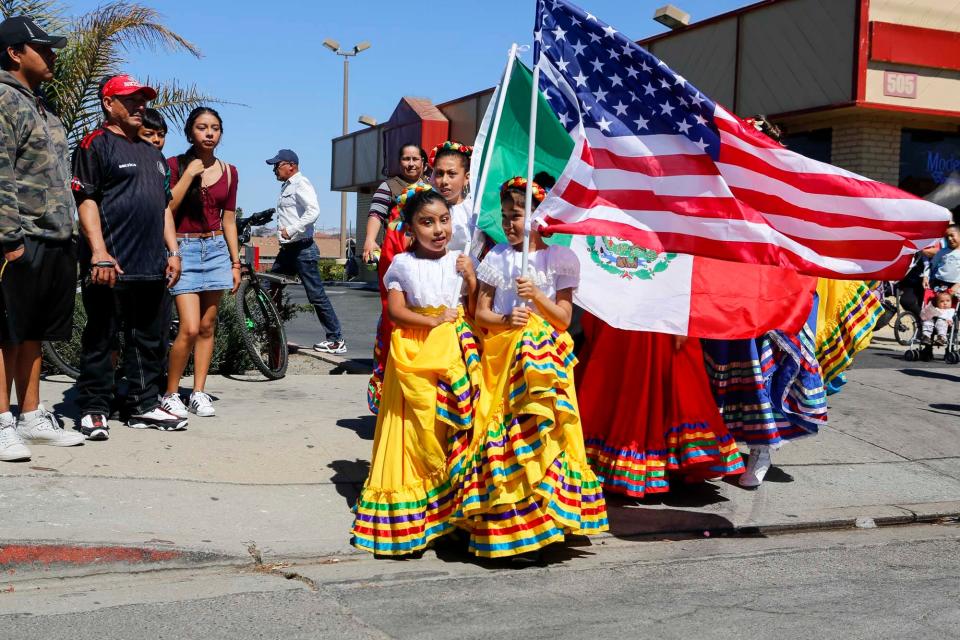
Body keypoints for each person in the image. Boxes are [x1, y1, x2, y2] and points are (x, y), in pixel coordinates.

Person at [450, 176, 607, 560]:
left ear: (539, 217)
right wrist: (506, 320)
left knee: (546, 438)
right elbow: (481, 313)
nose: (508, 223)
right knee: (505, 434)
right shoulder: (498, 257)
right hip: (503, 359)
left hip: (545, 364)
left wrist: (536, 294)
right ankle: (508, 521)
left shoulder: (560, 259)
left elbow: (564, 320)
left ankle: (549, 520)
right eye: (505, 215)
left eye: (517, 215)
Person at [351, 184, 480, 556]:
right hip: (414, 350)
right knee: (412, 432)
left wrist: (470, 278)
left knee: (450, 428)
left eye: (443, 220)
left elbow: (471, 304)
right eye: (427, 222)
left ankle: (451, 516)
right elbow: (395, 311)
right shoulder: (403, 264)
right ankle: (413, 519)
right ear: (410, 227)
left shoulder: (459, 258)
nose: (438, 229)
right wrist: (433, 320)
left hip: (453, 351)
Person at [71, 74, 186, 439]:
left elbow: (164, 208)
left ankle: (143, 405)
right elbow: (86, 200)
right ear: (109, 104)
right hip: (111, 267)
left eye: (143, 100)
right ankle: (94, 409)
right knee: (102, 340)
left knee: (149, 341)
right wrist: (99, 253)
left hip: (153, 267)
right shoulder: (95, 145)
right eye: (130, 99)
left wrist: (173, 252)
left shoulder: (153, 155)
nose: (140, 106)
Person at [0, 16, 85, 460]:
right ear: (15, 52)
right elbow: (0, 175)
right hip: (18, 238)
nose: (52, 55)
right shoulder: (2, 100)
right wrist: (7, 237)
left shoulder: (44, 108)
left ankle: (31, 417)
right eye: (43, 48)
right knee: (5, 333)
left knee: (33, 331)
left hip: (55, 237)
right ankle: (1, 424)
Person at [368, 142, 474, 414]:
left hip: (463, 309)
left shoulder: (478, 214)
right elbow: (400, 269)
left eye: (452, 174)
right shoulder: (418, 209)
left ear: (467, 176)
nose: (444, 180)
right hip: (423, 310)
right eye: (439, 174)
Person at [160, 107, 240, 419]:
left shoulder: (230, 171)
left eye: (215, 128)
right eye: (202, 127)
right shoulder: (174, 165)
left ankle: (198, 391)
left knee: (207, 326)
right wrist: (190, 174)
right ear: (190, 132)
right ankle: (170, 392)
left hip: (218, 248)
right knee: (189, 328)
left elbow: (230, 220)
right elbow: (167, 207)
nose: (209, 133)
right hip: (184, 248)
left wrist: (236, 263)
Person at [265, 149, 345, 354]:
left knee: (316, 295)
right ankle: (264, 331)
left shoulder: (301, 183)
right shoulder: (287, 186)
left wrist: (291, 230)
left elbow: (313, 211)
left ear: (291, 165)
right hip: (288, 250)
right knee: (268, 287)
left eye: (277, 165)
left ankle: (336, 339)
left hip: (303, 249)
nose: (274, 169)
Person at [361, 143, 427, 264]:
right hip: (396, 254)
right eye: (406, 159)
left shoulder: (432, 186)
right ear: (399, 162)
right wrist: (370, 239)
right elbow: (376, 214)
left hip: (427, 253)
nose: (411, 164)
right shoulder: (388, 186)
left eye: (415, 159)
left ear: (422, 162)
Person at [923, 224, 960, 293]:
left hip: (956, 287)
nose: (949, 239)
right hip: (939, 284)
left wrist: (958, 285)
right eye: (946, 237)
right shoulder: (942, 251)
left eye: (952, 235)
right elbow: (931, 265)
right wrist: (926, 277)